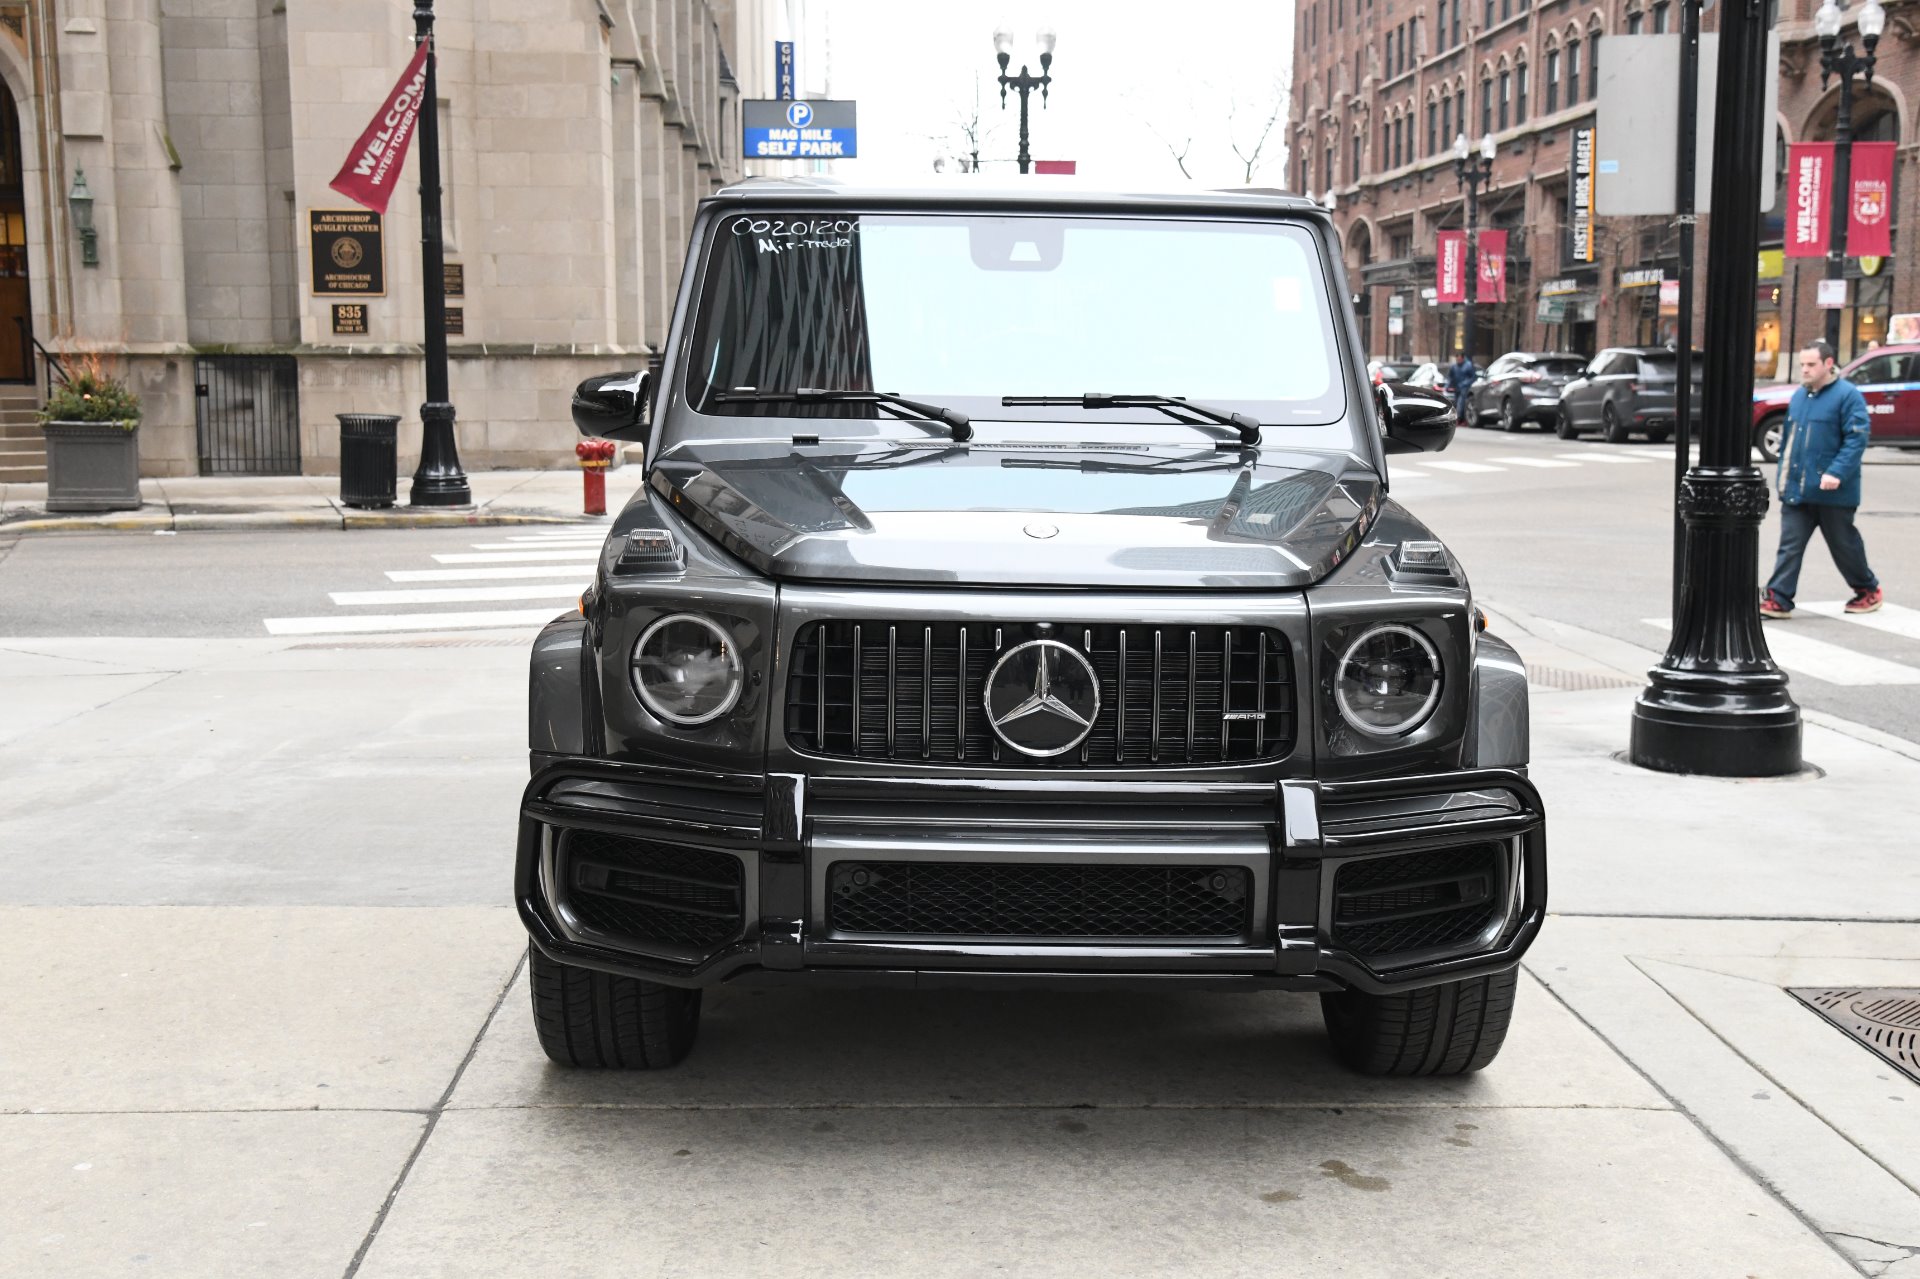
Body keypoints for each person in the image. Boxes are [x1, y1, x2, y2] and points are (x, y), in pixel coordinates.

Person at [1760, 339, 1883, 619]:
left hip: (1833, 492)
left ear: (1828, 364)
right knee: (1790, 546)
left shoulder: (1847, 395)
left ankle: (1867, 589)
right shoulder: (1800, 397)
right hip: (1799, 491)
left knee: (1844, 545)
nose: (1804, 369)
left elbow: (1856, 438)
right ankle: (1779, 597)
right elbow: (1790, 444)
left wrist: (1836, 473)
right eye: (1802, 364)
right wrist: (1784, 480)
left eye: (1811, 364)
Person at [1446, 351, 1478, 425]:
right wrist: (1447, 386)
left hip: (1465, 388)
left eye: (1459, 358)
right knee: (1457, 403)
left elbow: (1473, 377)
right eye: (1457, 358)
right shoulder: (1454, 366)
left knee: (1461, 403)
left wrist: (1465, 383)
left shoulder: (1468, 365)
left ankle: (1459, 419)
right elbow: (1450, 377)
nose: (1458, 360)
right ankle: (1461, 420)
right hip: (1457, 388)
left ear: (1463, 358)